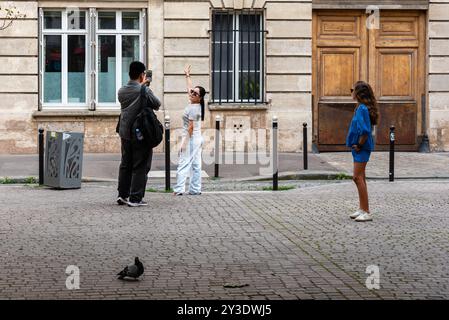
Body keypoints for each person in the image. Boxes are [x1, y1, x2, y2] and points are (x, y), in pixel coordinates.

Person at [116, 61, 161, 207]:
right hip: (140, 133)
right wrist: (146, 88)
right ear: (142, 75)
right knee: (141, 165)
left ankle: (122, 195)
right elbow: (157, 104)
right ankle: (135, 198)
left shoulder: (121, 90)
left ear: (129, 73)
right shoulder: (143, 90)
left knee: (125, 164)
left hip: (125, 132)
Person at [346, 81, 379, 222]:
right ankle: (362, 208)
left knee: (357, 178)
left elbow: (365, 131)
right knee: (361, 178)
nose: (351, 92)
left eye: (352, 89)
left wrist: (359, 144)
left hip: (361, 147)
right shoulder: (361, 107)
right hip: (359, 147)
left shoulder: (362, 109)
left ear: (358, 93)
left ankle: (366, 211)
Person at [173, 65, 206, 196]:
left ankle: (179, 189)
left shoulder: (194, 108)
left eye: (195, 93)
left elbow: (190, 127)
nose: (192, 93)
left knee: (183, 163)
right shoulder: (195, 104)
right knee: (196, 165)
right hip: (197, 139)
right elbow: (189, 89)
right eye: (193, 92)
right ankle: (195, 189)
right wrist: (187, 76)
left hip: (191, 139)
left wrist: (184, 143)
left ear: (200, 98)